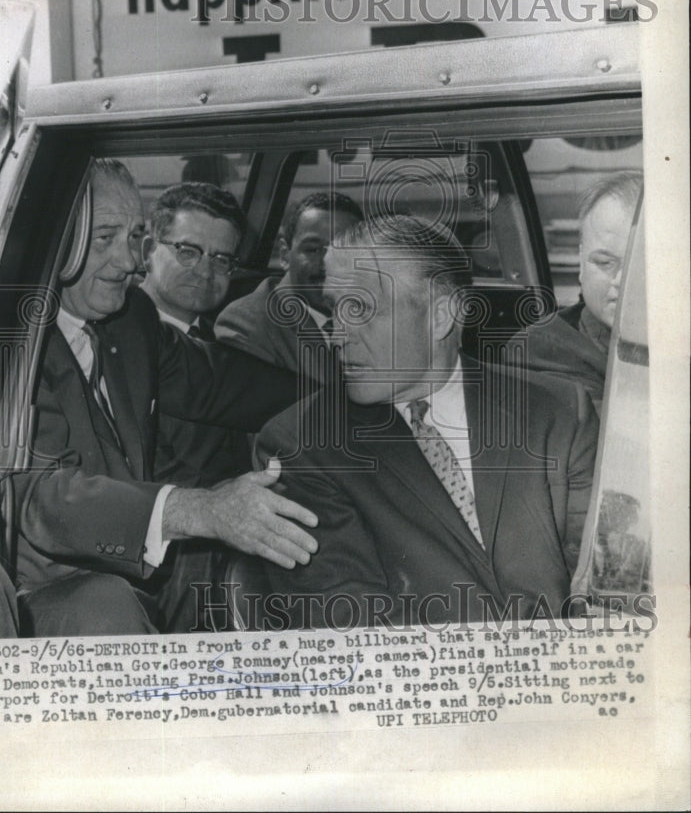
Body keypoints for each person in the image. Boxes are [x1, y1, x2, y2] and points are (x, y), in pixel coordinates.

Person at [13, 159, 318, 637]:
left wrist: (345, 400)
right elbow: (41, 497)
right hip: (51, 596)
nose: (130, 261)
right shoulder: (12, 345)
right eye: (105, 238)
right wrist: (201, 510)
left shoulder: (129, 317)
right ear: (58, 244)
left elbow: (220, 384)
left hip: (135, 580)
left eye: (134, 237)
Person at [252, 214, 598, 628]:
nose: (337, 334)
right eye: (334, 309)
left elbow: (603, 586)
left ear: (440, 316)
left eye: (360, 309)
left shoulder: (558, 411)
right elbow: (351, 621)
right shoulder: (300, 445)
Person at [141, 181, 252, 486]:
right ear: (149, 251)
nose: (205, 271)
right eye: (188, 251)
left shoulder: (225, 339)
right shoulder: (111, 339)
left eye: (221, 259)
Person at [526, 171, 643, 414]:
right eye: (604, 263)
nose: (621, 281)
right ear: (581, 265)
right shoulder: (542, 352)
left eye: (642, 264)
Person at [215, 191, 363, 379]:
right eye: (313, 249)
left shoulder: (376, 312)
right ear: (285, 254)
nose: (328, 262)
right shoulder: (246, 325)